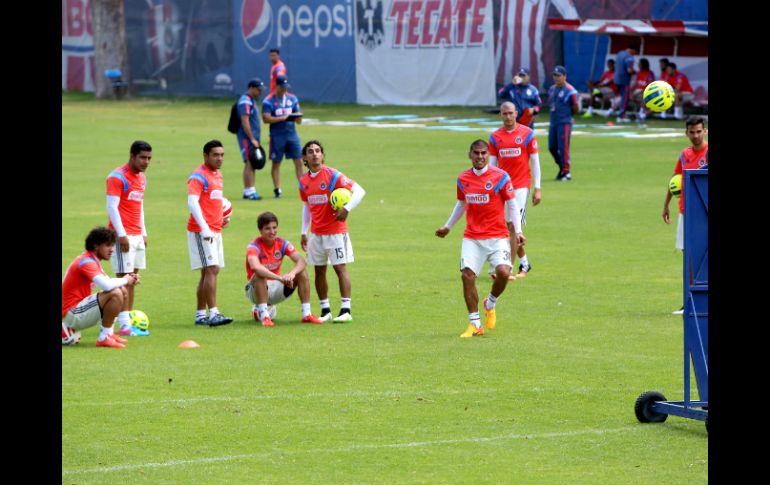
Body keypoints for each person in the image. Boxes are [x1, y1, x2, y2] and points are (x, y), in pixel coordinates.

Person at [435, 139, 525, 338]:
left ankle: (490, 302)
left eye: (484, 153)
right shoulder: (463, 179)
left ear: (488, 155)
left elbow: (512, 204)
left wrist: (517, 232)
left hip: (498, 236)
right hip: (473, 238)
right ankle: (475, 324)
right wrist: (448, 226)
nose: (480, 157)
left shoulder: (501, 177)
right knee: (467, 275)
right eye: (476, 153)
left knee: (503, 272)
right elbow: (461, 204)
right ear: (470, 155)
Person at [299, 140, 366, 322]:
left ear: (322, 155)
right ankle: (325, 310)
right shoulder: (303, 181)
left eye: (318, 151)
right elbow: (307, 206)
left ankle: (346, 310)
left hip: (336, 232)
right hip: (316, 234)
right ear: (304, 157)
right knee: (319, 271)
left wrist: (347, 209)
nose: (315, 154)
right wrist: (303, 231)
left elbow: (359, 191)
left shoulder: (333, 175)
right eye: (310, 151)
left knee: (340, 268)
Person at [62, 227, 141, 348]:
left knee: (121, 290)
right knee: (115, 292)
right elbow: (107, 285)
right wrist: (126, 279)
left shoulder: (92, 260)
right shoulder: (86, 262)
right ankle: (104, 338)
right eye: (108, 245)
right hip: (71, 314)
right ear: (95, 246)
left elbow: (110, 282)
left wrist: (128, 278)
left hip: (78, 311)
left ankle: (108, 334)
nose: (112, 249)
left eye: (112, 245)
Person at [488, 101, 541, 279]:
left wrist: (537, 188)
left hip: (520, 186)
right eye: (505, 114)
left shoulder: (527, 134)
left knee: (511, 226)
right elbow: (492, 165)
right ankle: (524, 261)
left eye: (511, 113)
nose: (508, 117)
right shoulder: (495, 137)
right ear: (500, 115)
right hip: (502, 187)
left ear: (516, 113)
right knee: (504, 227)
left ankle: (506, 268)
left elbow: (535, 162)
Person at [661, 116, 708, 314]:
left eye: (699, 131)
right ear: (686, 133)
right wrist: (666, 205)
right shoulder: (684, 154)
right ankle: (689, 303)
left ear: (705, 131)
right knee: (687, 257)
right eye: (692, 132)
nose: (695, 135)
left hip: (704, 212)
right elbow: (675, 180)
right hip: (686, 211)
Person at [245, 211, 324, 326]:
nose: (272, 232)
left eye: (274, 227)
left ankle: (306, 314)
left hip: (276, 287)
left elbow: (301, 260)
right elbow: (256, 267)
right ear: (260, 230)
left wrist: (292, 274)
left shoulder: (282, 243)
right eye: (268, 228)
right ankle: (265, 317)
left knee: (301, 272)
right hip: (255, 290)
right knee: (260, 274)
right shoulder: (253, 246)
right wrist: (280, 278)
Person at [105, 140, 151, 337]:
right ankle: (122, 324)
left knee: (132, 279)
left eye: (149, 158)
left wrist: (143, 231)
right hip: (122, 235)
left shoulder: (142, 178)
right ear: (132, 156)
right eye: (142, 157)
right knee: (123, 279)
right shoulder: (117, 177)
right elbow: (112, 207)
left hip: (136, 235)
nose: (146, 162)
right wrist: (121, 234)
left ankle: (127, 319)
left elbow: (139, 206)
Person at [186, 140, 234, 327]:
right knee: (211, 269)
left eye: (222, 155)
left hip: (215, 229)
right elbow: (192, 202)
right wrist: (205, 227)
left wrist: (221, 219)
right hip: (201, 231)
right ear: (205, 155)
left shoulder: (217, 175)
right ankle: (213, 313)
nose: (219, 158)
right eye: (215, 155)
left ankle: (200, 315)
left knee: (208, 272)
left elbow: (213, 202)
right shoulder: (198, 176)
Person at [262, 75, 303, 198]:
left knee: (299, 161)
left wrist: (298, 117)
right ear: (277, 86)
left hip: (292, 134)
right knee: (276, 163)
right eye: (282, 87)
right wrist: (283, 118)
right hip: (277, 136)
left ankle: (304, 187)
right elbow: (266, 118)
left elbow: (299, 118)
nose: (285, 89)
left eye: (286, 87)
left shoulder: (292, 99)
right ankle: (277, 189)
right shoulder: (268, 100)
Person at [547, 66, 579, 181]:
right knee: (551, 147)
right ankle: (562, 167)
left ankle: (566, 172)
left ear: (564, 76)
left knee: (563, 147)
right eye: (554, 75)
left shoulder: (570, 91)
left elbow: (575, 107)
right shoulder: (551, 89)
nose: (556, 78)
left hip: (564, 122)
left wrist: (569, 116)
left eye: (558, 75)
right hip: (553, 122)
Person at [237, 78, 266, 201]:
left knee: (253, 162)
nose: (260, 92)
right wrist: (252, 138)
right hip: (246, 138)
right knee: (249, 161)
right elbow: (245, 121)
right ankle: (248, 191)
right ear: (251, 88)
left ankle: (251, 190)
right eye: (258, 89)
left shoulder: (251, 100)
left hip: (252, 138)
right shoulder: (245, 101)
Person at [613, 43, 638, 122]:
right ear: (633, 50)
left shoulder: (620, 53)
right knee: (625, 98)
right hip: (624, 80)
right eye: (635, 52)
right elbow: (629, 70)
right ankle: (621, 116)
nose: (634, 54)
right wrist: (635, 72)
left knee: (621, 97)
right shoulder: (629, 58)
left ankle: (620, 112)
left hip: (616, 79)